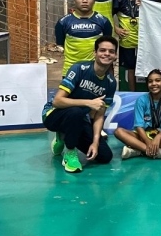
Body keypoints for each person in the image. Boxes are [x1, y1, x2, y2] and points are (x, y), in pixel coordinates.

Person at [42, 36, 117, 173]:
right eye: (102, 50)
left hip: (78, 119)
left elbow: (99, 116)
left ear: (115, 56)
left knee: (105, 156)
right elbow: (57, 101)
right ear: (95, 53)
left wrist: (95, 142)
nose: (107, 54)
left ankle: (63, 136)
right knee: (75, 111)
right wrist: (88, 103)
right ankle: (70, 152)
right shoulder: (79, 69)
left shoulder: (111, 83)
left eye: (111, 51)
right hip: (53, 114)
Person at [115, 68, 161, 161]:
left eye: (157, 80)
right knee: (118, 131)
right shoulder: (141, 100)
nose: (153, 83)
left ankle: (138, 150)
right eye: (150, 81)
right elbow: (139, 126)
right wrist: (147, 141)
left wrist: (159, 136)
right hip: (142, 135)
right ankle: (158, 152)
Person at [55, 0, 113, 75]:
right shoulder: (62, 22)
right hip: (70, 71)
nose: (85, 1)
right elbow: (61, 44)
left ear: (95, 0)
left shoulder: (104, 22)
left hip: (96, 71)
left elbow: (107, 48)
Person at [114, 0, 143, 91]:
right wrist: (116, 29)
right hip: (127, 40)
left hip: (144, 40)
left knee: (147, 67)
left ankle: (150, 94)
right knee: (131, 68)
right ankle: (132, 94)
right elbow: (109, 15)